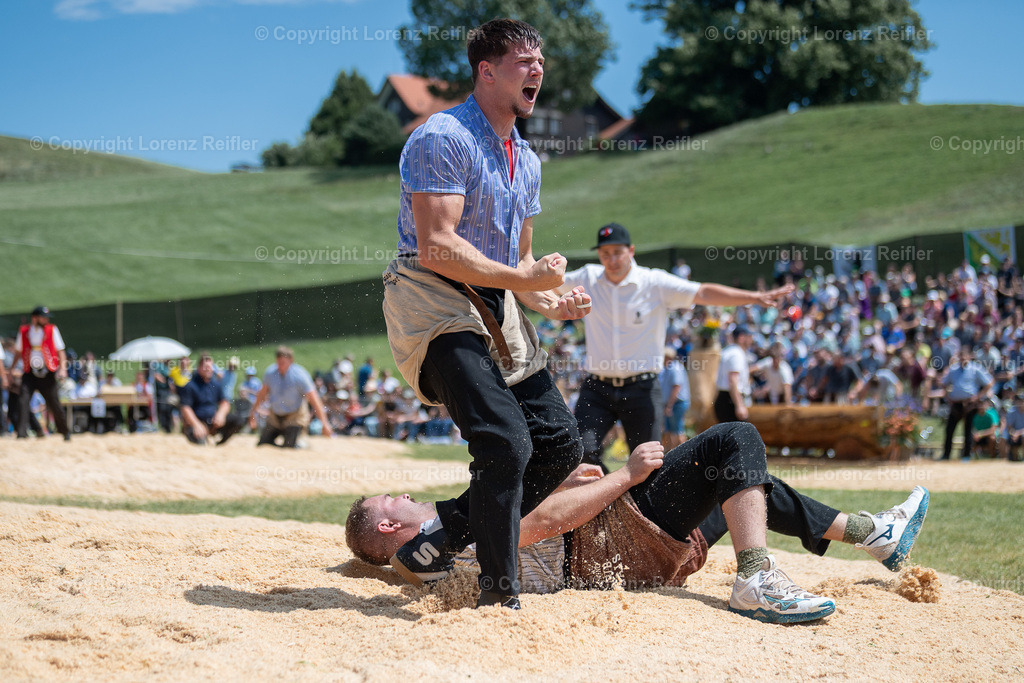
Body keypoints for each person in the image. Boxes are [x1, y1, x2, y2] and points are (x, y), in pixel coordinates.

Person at [380, 18, 591, 609]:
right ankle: (499, 598)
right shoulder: (442, 136)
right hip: (432, 298)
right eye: (524, 61)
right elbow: (437, 244)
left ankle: (445, 530)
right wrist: (524, 279)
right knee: (504, 440)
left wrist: (550, 298)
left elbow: (518, 261)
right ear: (487, 70)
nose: (538, 70)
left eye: (540, 61)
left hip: (493, 301)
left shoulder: (527, 158)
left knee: (558, 444)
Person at [347, 422, 930, 624]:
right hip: (608, 545)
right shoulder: (429, 544)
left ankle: (873, 534)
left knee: (742, 482)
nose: (401, 493)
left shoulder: (427, 553)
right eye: (390, 501)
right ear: (392, 529)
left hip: (608, 547)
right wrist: (622, 477)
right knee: (733, 440)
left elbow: (526, 519)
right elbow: (541, 527)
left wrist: (562, 481)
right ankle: (757, 578)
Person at [562, 224, 793, 468]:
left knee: (647, 466)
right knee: (580, 453)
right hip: (597, 387)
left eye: (617, 252)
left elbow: (702, 292)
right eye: (605, 254)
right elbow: (547, 284)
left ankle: (630, 503)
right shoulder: (587, 277)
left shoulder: (654, 282)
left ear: (631, 251)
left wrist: (754, 298)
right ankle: (611, 500)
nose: (611, 260)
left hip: (641, 387)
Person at [247, 346, 333, 447]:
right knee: (263, 444)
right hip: (275, 416)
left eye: (283, 363)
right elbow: (262, 394)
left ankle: (302, 443)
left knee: (289, 446)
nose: (280, 366)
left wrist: (324, 423)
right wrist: (253, 413)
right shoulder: (270, 373)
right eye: (278, 363)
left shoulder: (300, 375)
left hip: (294, 417)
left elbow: (314, 400)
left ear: (291, 360)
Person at [14, 306, 71, 440]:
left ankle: (65, 432)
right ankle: (21, 433)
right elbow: (18, 350)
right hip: (29, 372)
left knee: (54, 404)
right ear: (35, 318)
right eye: (43, 317)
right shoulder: (24, 331)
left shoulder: (52, 330)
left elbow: (60, 350)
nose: (46, 319)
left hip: (47, 372)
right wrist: (11, 367)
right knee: (23, 401)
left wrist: (62, 368)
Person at [178, 353, 244, 445]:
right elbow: (185, 408)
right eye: (205, 367)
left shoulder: (215, 384)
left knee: (239, 420)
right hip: (196, 422)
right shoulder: (190, 385)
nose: (208, 369)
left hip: (213, 422)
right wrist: (196, 424)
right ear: (199, 368)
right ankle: (203, 437)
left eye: (210, 366)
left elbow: (225, 402)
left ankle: (220, 443)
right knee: (199, 441)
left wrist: (221, 414)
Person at [939, 349, 993, 460]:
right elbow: (943, 383)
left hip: (970, 404)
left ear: (969, 357)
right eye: (961, 356)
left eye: (965, 356)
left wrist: (978, 396)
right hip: (956, 404)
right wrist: (947, 396)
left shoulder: (975, 368)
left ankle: (966, 455)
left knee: (968, 429)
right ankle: (946, 454)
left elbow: (989, 383)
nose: (963, 359)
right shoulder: (953, 370)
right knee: (949, 429)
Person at [714, 325, 754, 423]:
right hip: (730, 401)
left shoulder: (729, 351)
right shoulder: (736, 354)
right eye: (749, 336)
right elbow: (733, 381)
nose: (751, 340)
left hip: (726, 399)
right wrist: (739, 405)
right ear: (741, 337)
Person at [658, 347, 688, 449]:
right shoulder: (668, 368)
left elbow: (676, 388)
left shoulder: (675, 368)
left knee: (677, 430)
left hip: (676, 404)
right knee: (670, 430)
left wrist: (669, 406)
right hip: (671, 404)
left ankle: (685, 453)